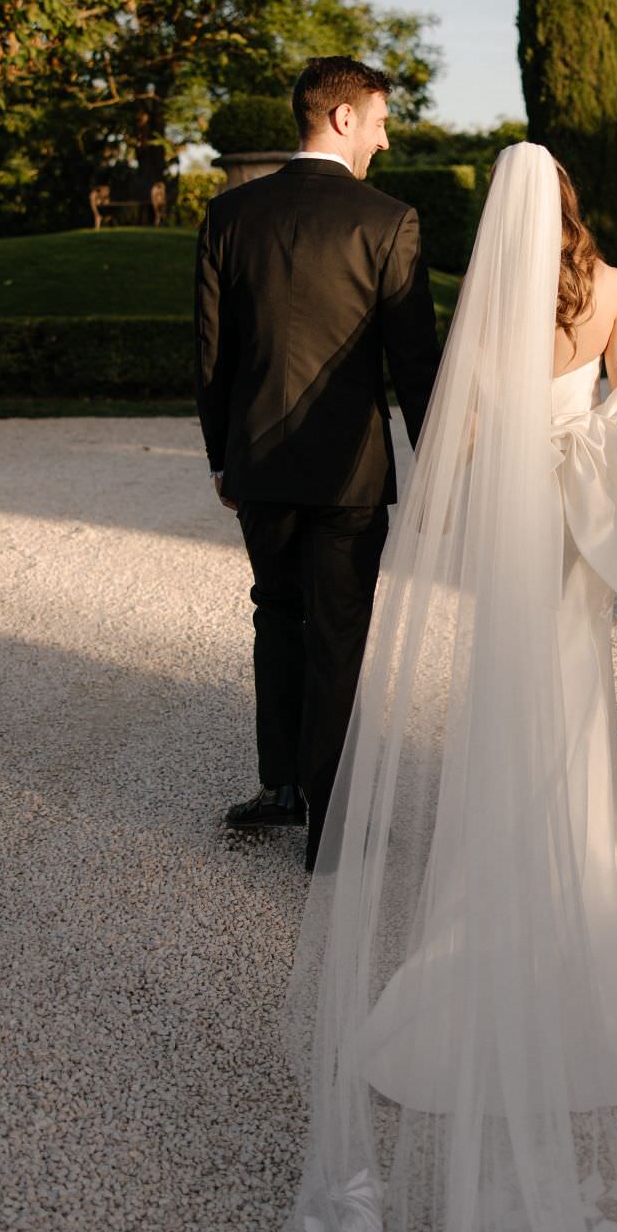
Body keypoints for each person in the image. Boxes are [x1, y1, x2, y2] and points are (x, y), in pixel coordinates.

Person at [207, 141, 617, 1232]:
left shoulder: (487, 303)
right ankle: (576, 887)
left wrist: (469, 517)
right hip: (580, 533)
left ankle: (492, 896)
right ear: (573, 207)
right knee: (574, 715)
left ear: (503, 217)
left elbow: (457, 439)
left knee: (499, 720)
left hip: (514, 541)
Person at [194, 56, 441, 871]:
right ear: (341, 118)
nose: (383, 139)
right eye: (379, 121)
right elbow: (413, 363)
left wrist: (222, 459)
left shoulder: (229, 213)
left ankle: (281, 788)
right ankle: (331, 824)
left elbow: (211, 354)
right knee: (338, 633)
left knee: (275, 613)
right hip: (349, 472)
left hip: (257, 462)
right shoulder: (389, 221)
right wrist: (439, 460)